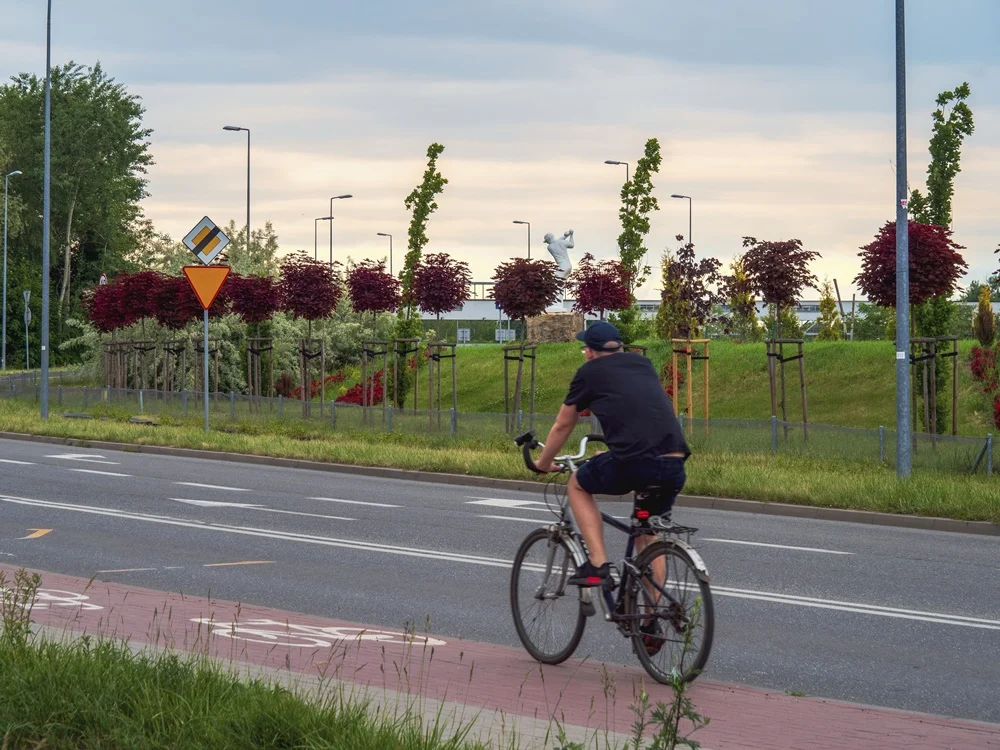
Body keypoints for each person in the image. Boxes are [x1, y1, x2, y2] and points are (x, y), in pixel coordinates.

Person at [534, 321, 690, 589]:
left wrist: (543, 463)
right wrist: (615, 450)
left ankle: (598, 564)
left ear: (591, 352)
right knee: (647, 537)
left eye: (585, 349)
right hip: (674, 461)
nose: (585, 354)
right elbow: (640, 412)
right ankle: (650, 623)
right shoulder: (643, 364)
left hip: (637, 463)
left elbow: (563, 424)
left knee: (577, 484)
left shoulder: (589, 372)